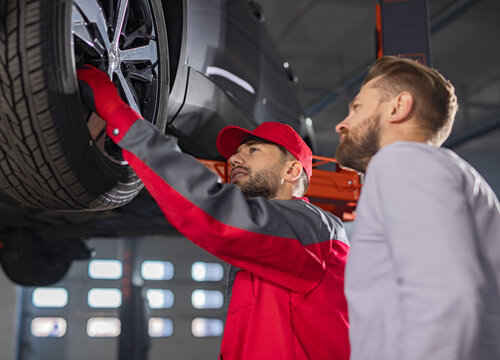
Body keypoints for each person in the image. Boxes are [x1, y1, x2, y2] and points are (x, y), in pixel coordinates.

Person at [77, 65, 350, 360]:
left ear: (292, 169)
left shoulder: (314, 230)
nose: (233, 158)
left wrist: (118, 114)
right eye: (236, 153)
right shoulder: (268, 248)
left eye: (253, 150)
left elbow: (212, 210)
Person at [334, 55, 500, 360]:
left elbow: (448, 298)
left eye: (356, 108)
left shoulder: (401, 161)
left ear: (398, 107)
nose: (341, 124)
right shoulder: (453, 173)